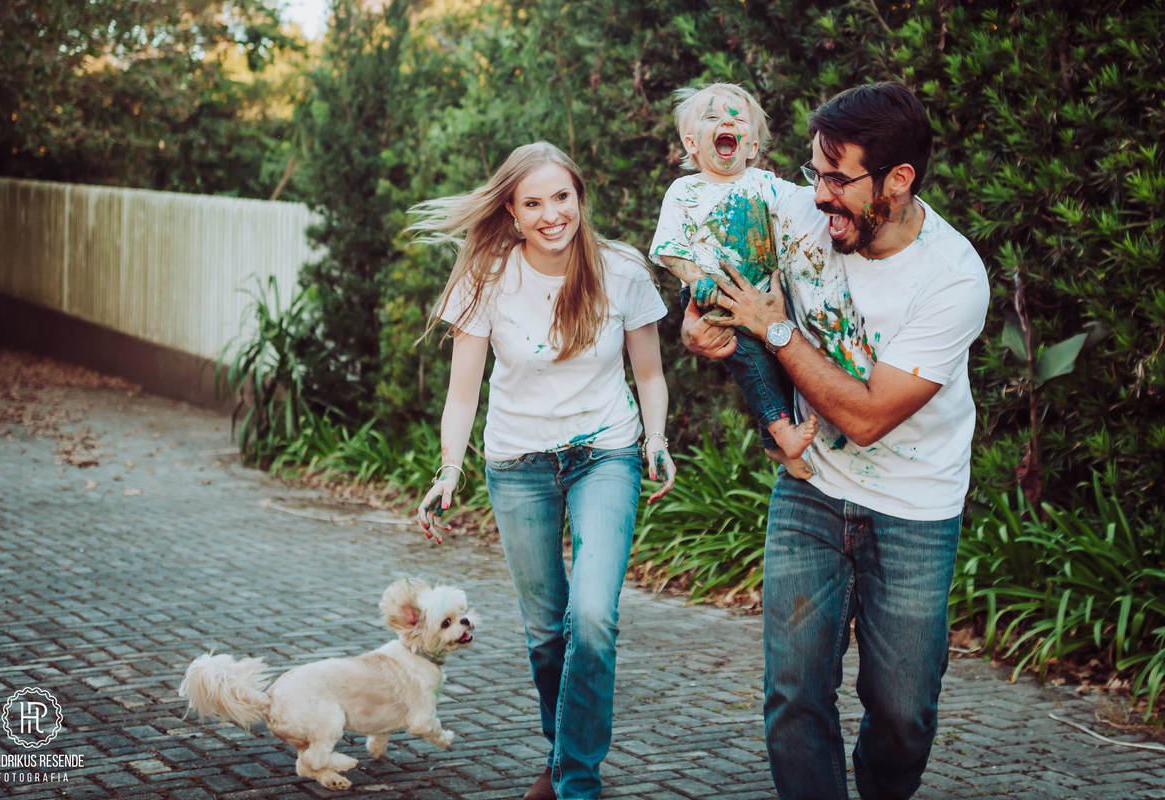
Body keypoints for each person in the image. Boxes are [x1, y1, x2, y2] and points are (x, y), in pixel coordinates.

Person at [682, 82, 990, 800]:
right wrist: (702, 327)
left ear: (898, 180)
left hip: (915, 509)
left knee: (903, 714)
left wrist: (774, 328)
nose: (818, 196)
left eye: (836, 178)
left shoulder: (952, 278)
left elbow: (869, 415)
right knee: (793, 695)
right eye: (813, 171)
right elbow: (726, 297)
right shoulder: (797, 217)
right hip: (810, 493)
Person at [409, 141, 677, 800]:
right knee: (546, 631)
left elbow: (649, 371)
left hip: (604, 454)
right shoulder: (486, 274)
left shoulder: (620, 268)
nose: (551, 213)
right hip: (517, 464)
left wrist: (657, 439)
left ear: (580, 197)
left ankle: (575, 782)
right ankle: (564, 759)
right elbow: (464, 391)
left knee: (591, 617)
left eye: (562, 197)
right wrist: (449, 469)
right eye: (534, 202)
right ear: (512, 209)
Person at [649, 82, 818, 479]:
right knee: (754, 364)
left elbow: (809, 207)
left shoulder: (767, 185)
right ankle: (783, 436)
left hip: (767, 297)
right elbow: (668, 248)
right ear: (691, 144)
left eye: (737, 118)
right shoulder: (684, 191)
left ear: (752, 147)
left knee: (788, 365)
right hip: (716, 298)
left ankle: (777, 443)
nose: (726, 120)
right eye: (712, 117)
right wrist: (696, 276)